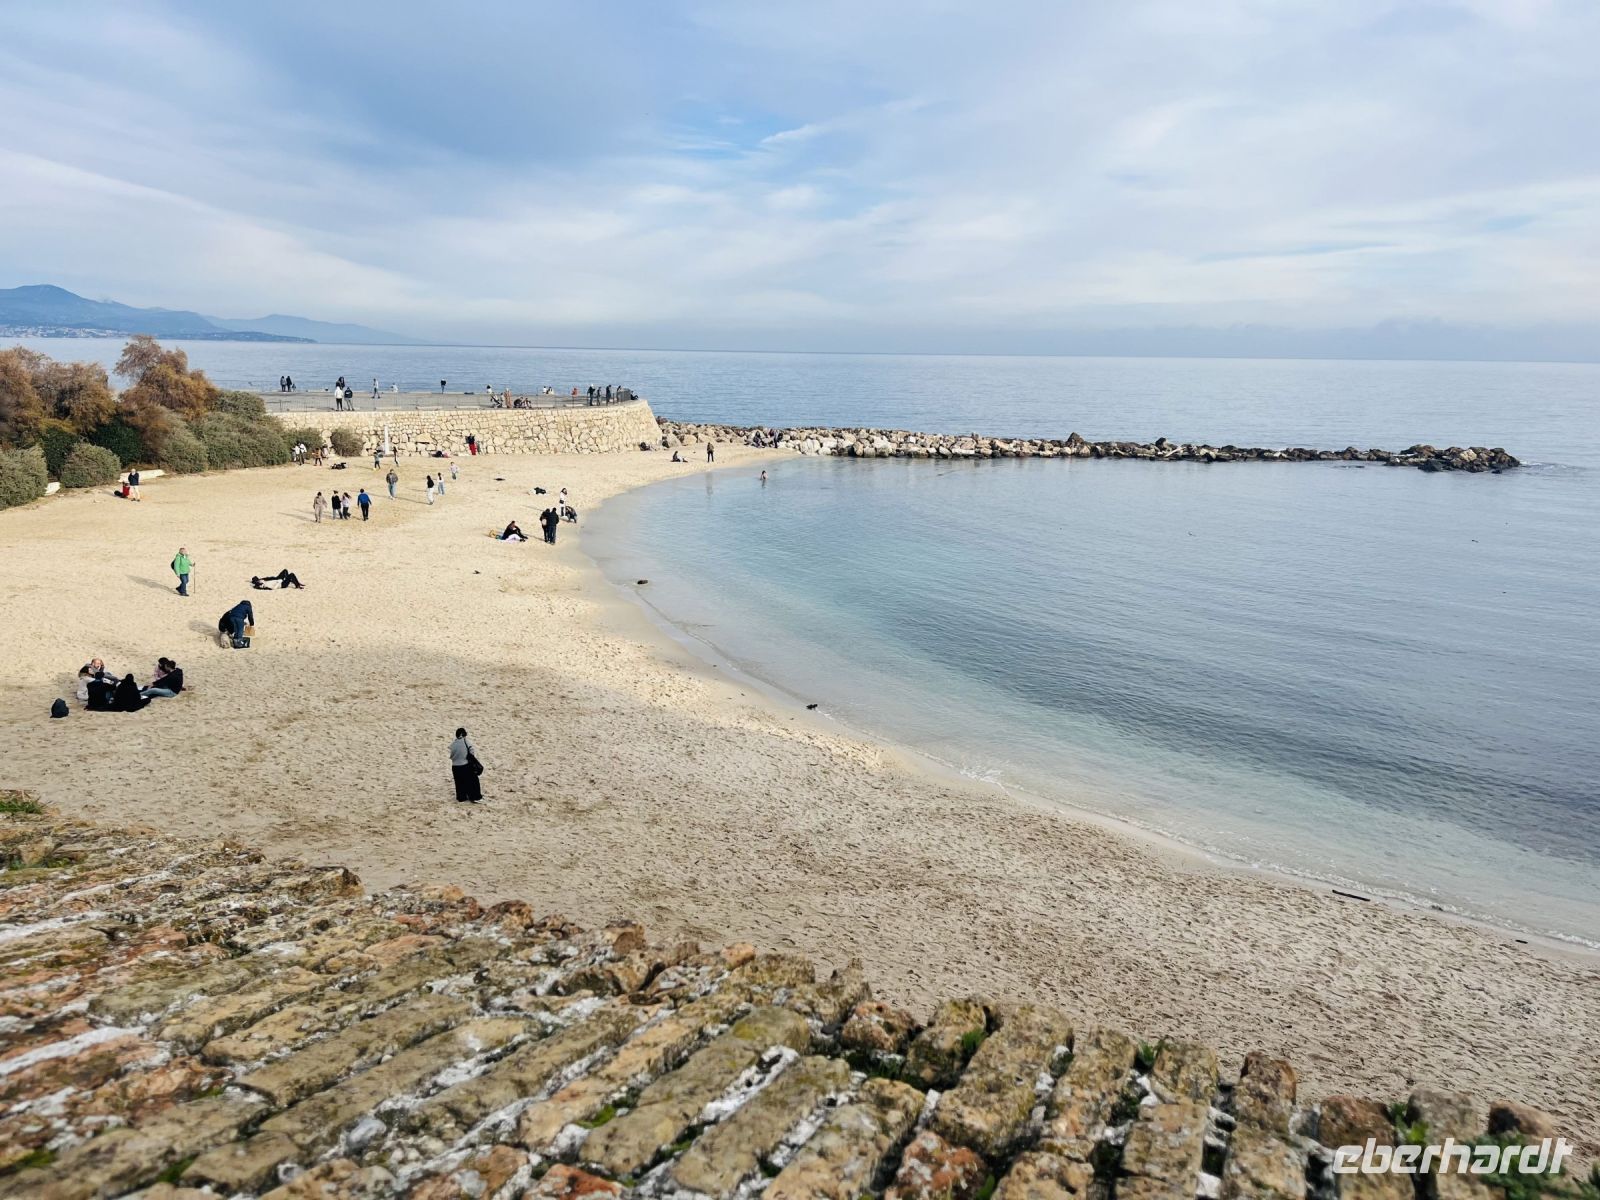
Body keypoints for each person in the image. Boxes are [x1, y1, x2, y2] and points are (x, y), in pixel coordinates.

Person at [450, 727, 482, 803]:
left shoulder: (453, 744)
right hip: (464, 765)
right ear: (462, 735)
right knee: (473, 780)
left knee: (459, 783)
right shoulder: (465, 741)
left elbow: (451, 756)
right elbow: (471, 751)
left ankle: (461, 797)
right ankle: (474, 796)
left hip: (455, 766)